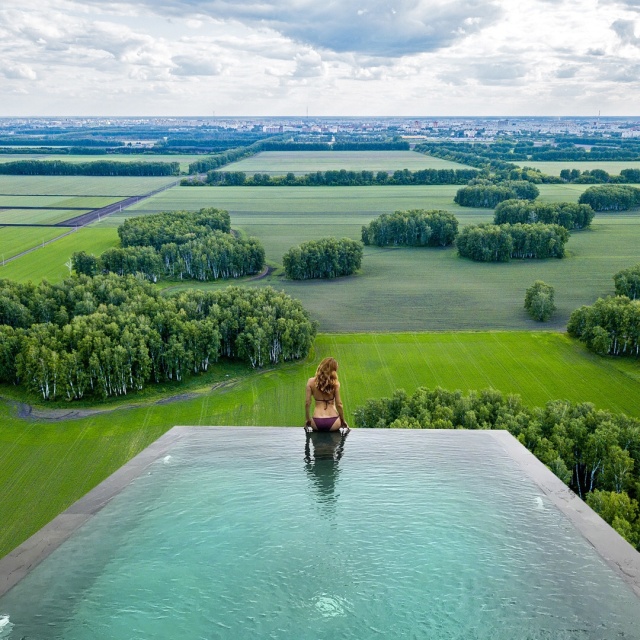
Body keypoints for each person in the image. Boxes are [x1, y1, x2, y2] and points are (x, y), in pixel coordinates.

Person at [305, 357, 350, 433]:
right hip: (334, 420)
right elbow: (339, 404)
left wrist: (308, 419)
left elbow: (307, 403)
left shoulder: (310, 382)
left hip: (316, 421)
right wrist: (342, 420)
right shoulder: (335, 384)